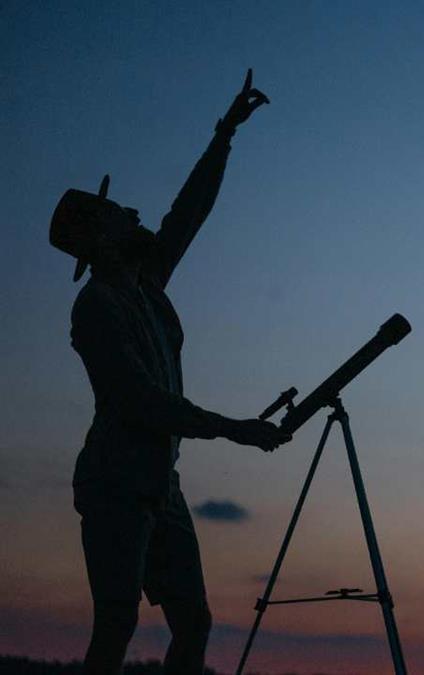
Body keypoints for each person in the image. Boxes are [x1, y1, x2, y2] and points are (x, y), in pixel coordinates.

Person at [49, 70, 291, 674]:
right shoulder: (97, 308)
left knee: (194, 624)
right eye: (118, 214)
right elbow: (141, 401)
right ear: (102, 242)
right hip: (114, 484)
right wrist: (234, 428)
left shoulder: (146, 282)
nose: (133, 211)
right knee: (116, 623)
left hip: (162, 483)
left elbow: (189, 211)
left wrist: (224, 135)